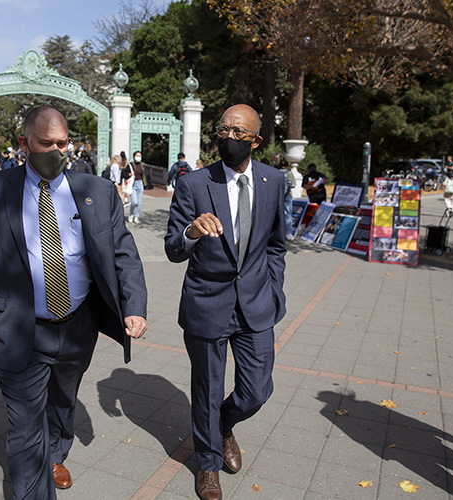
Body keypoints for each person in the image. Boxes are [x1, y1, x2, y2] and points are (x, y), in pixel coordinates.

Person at [0, 105, 148, 499]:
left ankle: (56, 453)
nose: (57, 151)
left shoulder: (97, 191)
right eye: (46, 143)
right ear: (24, 143)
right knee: (25, 428)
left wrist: (135, 305)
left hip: (77, 325)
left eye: (63, 143)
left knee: (62, 402)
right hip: (18, 327)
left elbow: (123, 253)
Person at [164, 104, 286, 500]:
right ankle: (208, 464)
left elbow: (276, 245)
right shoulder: (194, 184)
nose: (229, 138)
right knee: (207, 389)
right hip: (207, 303)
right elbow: (173, 248)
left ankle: (223, 425)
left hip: (256, 303)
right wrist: (192, 231)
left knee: (256, 392)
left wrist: (273, 288)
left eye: (239, 133)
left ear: (256, 140)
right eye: (223, 130)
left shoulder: (273, 180)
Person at [272, 153, 295, 239]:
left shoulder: (275, 172)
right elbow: (293, 184)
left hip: (277, 194)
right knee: (288, 214)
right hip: (287, 195)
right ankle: (288, 232)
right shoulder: (289, 173)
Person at [128, 151, 145, 224]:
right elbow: (124, 173)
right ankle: (131, 213)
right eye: (137, 155)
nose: (139, 157)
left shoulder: (142, 165)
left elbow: (146, 174)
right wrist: (129, 174)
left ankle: (136, 216)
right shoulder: (130, 165)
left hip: (140, 183)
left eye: (140, 156)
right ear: (134, 156)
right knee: (134, 201)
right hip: (133, 184)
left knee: (139, 203)